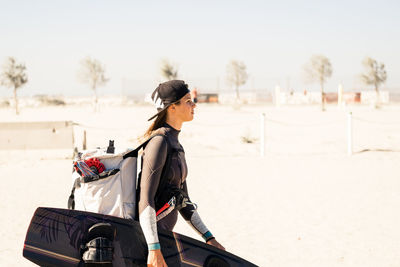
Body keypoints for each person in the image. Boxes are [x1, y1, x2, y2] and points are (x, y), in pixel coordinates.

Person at [138, 80, 224, 267]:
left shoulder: (176, 145)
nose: (194, 104)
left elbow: (183, 199)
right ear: (172, 107)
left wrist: (209, 237)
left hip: (164, 240)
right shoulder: (159, 143)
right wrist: (153, 249)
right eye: (187, 100)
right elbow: (145, 200)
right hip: (147, 244)